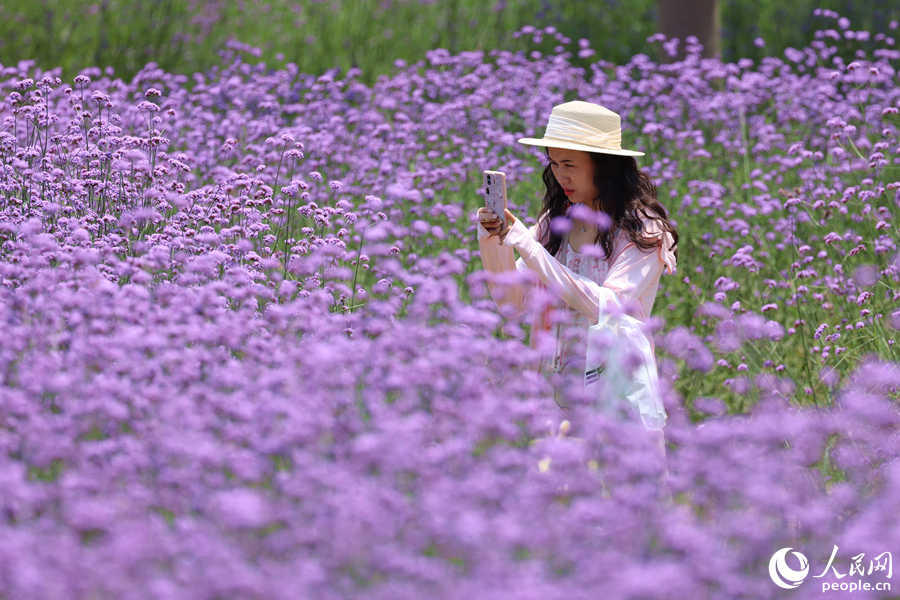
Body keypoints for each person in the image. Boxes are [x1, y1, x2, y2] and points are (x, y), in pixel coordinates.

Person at [476, 101, 678, 432]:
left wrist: (529, 248)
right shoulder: (557, 222)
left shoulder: (643, 230)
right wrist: (493, 242)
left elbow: (609, 306)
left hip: (615, 396)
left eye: (569, 163)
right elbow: (512, 303)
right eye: (554, 163)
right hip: (550, 397)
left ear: (606, 166)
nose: (560, 175)